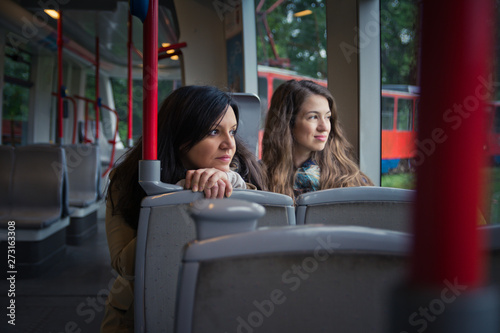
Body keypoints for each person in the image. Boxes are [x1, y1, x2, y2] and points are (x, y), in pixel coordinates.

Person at [101, 85, 264, 332]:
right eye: (213, 131)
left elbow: (261, 245)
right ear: (180, 138)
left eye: (232, 131)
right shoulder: (127, 180)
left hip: (223, 304)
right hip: (141, 311)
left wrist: (230, 183)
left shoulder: (245, 173)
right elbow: (127, 265)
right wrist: (180, 197)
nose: (229, 144)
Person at [261, 79, 373, 200]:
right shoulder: (258, 177)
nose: (324, 127)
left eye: (328, 117)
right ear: (287, 123)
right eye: (313, 117)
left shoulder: (349, 180)